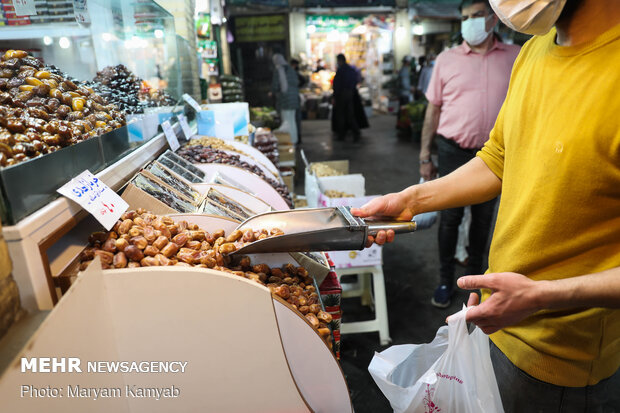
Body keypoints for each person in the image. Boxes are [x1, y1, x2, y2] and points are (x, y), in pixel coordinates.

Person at [352, 0, 620, 410]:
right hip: (496, 321)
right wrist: (414, 199)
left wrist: (541, 296)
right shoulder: (535, 51)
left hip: (563, 361)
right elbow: (498, 158)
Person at [419, 0, 520, 308]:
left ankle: (476, 283)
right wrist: (425, 155)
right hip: (452, 150)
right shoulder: (446, 60)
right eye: (465, 18)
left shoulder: (516, 57)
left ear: (493, 19)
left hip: (496, 154)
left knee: (483, 219)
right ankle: (445, 281)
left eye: (477, 16)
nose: (470, 23)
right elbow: (432, 109)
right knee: (450, 218)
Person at [331, 53, 368, 142]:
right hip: (350, 94)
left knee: (341, 115)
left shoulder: (341, 71)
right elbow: (356, 81)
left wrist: (335, 96)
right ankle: (356, 132)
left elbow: (337, 85)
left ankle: (342, 134)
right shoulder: (351, 70)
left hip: (342, 95)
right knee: (350, 115)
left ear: (340, 61)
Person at [271, 53, 300, 144]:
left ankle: (288, 142)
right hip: (294, 99)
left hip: (285, 100)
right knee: (292, 120)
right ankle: (294, 140)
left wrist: (272, 92)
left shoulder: (279, 69)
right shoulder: (291, 69)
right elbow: (297, 81)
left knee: (286, 121)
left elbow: (275, 85)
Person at [290, 58, 307, 144]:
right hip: (294, 99)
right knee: (295, 119)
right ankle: (297, 136)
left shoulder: (293, 73)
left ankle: (297, 137)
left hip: (293, 100)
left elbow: (303, 80)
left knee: (295, 119)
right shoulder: (294, 73)